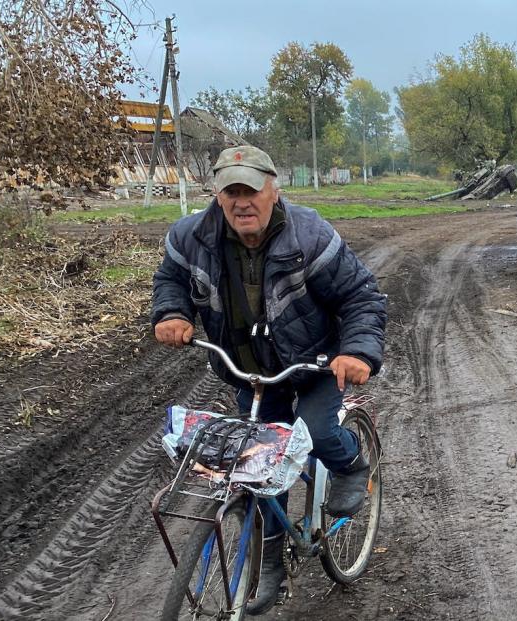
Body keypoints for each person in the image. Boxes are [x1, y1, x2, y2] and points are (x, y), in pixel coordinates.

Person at [152, 145, 387, 614]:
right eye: (231, 190)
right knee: (260, 470)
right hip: (254, 370)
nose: (242, 201)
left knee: (317, 430)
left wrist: (357, 351)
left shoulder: (310, 235)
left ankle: (351, 467)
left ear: (273, 190)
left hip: (316, 362)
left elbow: (362, 297)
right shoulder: (191, 236)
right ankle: (272, 566)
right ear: (217, 195)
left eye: (251, 190)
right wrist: (172, 312)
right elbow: (171, 278)